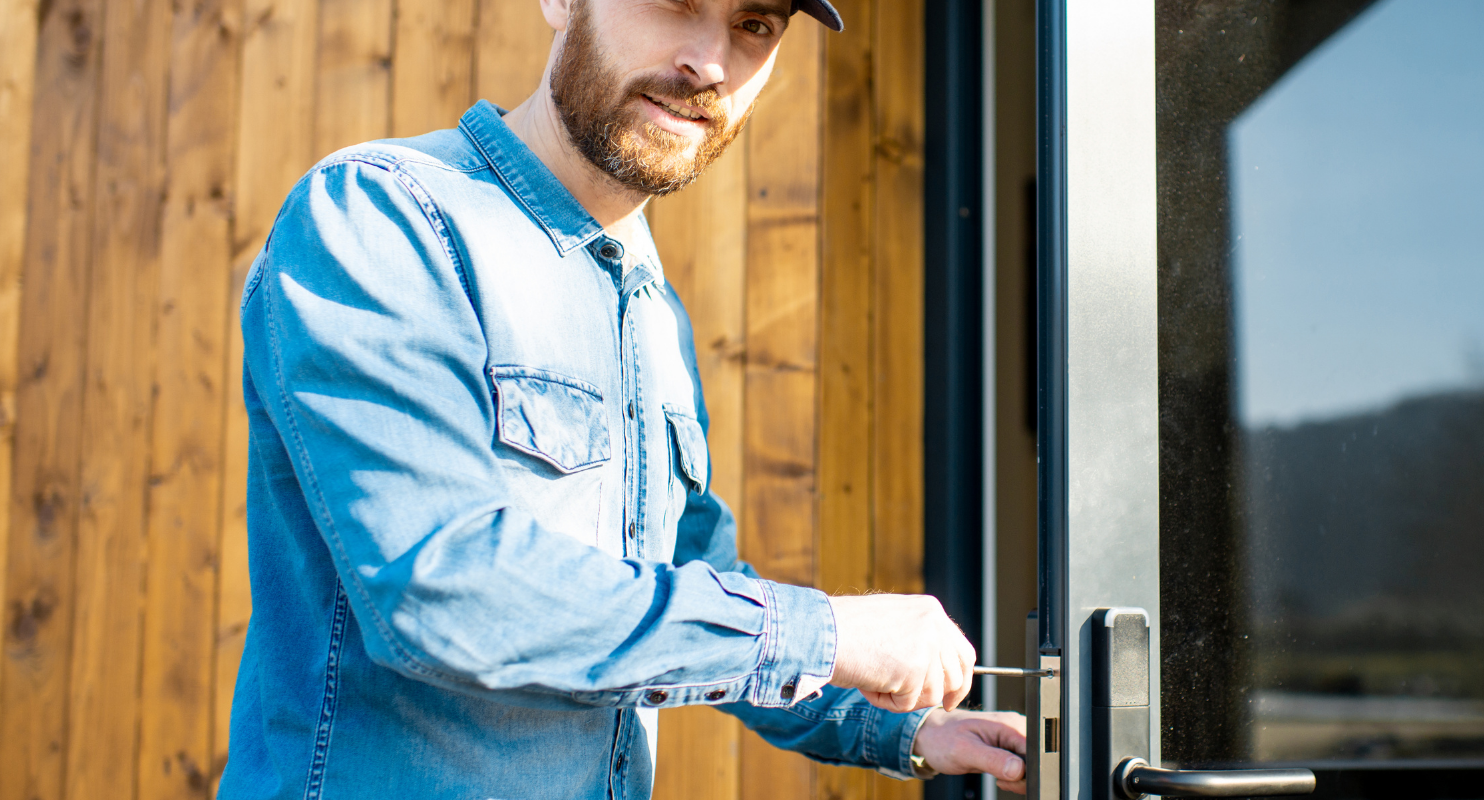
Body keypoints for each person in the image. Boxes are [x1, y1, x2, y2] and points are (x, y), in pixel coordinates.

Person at [218, 0, 1026, 796]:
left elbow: (690, 578)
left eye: (755, 26)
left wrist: (901, 727)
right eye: (678, 2)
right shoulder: (383, 217)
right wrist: (826, 634)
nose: (709, 64)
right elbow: (441, 585)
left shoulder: (649, 306)